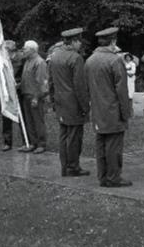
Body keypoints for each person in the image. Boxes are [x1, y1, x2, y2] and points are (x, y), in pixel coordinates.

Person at [85, 27, 132, 187]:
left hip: (97, 109)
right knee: (114, 146)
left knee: (101, 144)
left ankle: (103, 176)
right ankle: (114, 177)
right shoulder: (115, 60)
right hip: (112, 110)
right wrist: (126, 113)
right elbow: (121, 89)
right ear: (113, 42)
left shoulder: (90, 60)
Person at [49, 28, 91, 176]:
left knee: (64, 136)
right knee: (74, 137)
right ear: (74, 42)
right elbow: (80, 86)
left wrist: (53, 100)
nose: (80, 45)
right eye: (79, 41)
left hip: (60, 101)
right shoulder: (75, 58)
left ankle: (64, 166)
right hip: (73, 104)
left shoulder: (54, 56)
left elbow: (51, 82)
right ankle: (72, 167)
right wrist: (86, 106)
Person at [18, 40, 49, 154]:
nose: (23, 51)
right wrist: (19, 85)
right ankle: (32, 142)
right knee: (29, 121)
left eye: (25, 49)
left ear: (32, 50)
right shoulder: (27, 61)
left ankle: (41, 143)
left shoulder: (39, 63)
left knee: (37, 121)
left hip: (34, 96)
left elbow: (42, 82)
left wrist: (37, 97)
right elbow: (27, 78)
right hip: (26, 94)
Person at [1, 40, 25, 152]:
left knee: (22, 117)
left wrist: (18, 84)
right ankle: (7, 142)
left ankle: (26, 140)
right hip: (7, 92)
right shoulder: (2, 60)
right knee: (6, 116)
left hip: (18, 91)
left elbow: (25, 75)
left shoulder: (21, 58)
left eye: (5, 50)